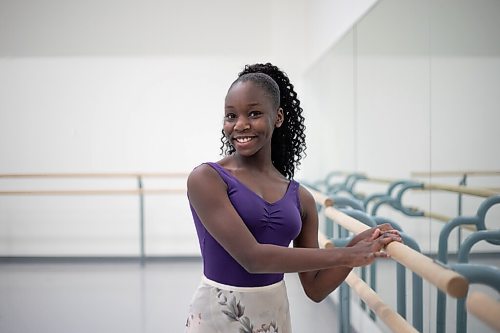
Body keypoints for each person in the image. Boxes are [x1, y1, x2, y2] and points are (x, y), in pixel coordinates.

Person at [185, 63, 401, 333]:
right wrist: (347, 254)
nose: (240, 125)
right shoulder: (206, 179)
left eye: (254, 113)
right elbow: (253, 259)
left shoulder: (301, 198)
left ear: (278, 117)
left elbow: (315, 287)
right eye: (231, 116)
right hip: (218, 316)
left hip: (274, 314)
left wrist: (358, 244)